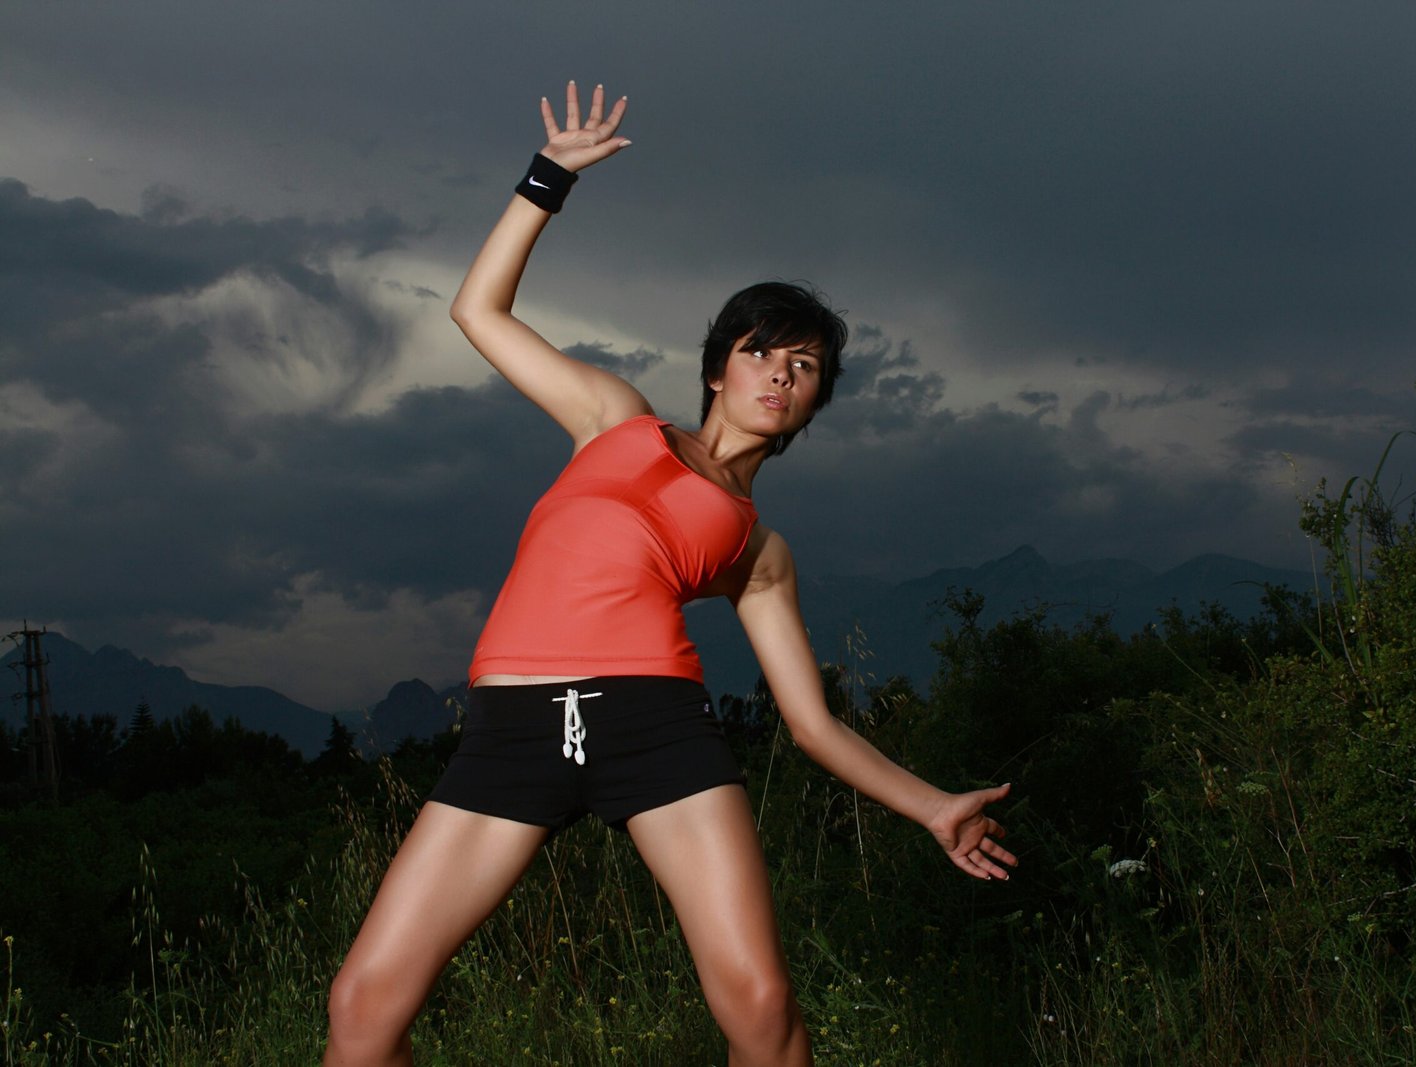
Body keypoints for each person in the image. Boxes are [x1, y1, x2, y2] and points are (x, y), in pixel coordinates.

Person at [323, 82, 1016, 1067]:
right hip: (512, 729)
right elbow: (478, 309)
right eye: (761, 349)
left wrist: (930, 803)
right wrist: (549, 175)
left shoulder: (759, 550)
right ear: (718, 366)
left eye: (806, 365)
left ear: (815, 403)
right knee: (363, 1010)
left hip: (655, 731)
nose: (781, 372)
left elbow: (811, 723)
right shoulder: (614, 417)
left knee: (762, 1013)